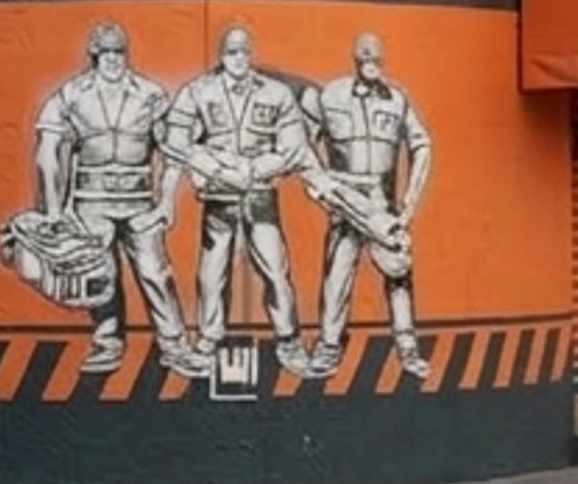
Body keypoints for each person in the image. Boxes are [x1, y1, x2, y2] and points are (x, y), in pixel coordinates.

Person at [33, 20, 209, 378]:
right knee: (100, 275)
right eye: (105, 52)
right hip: (90, 202)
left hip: (139, 201)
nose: (112, 59)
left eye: (118, 51)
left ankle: (174, 346)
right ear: (93, 56)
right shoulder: (72, 95)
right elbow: (47, 151)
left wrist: (166, 202)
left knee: (156, 273)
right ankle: (107, 341)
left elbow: (173, 151)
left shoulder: (149, 94)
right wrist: (52, 210)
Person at [161, 25, 311, 377]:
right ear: (221, 55)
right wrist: (215, 167)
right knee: (211, 275)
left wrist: (251, 169)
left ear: (251, 53)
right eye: (231, 53)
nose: (238, 59)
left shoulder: (275, 94)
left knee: (276, 271)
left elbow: (293, 148)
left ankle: (289, 341)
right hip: (218, 199)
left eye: (243, 52)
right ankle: (208, 341)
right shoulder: (199, 91)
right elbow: (175, 140)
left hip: (260, 196)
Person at [300, 30, 433, 381]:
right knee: (337, 275)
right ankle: (329, 347)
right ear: (355, 59)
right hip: (344, 202)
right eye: (365, 58)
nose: (370, 64)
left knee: (398, 273)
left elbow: (422, 145)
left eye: (376, 58)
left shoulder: (397, 99)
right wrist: (321, 183)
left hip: (383, 205)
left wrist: (408, 204)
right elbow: (301, 143)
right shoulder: (331, 95)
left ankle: (408, 350)